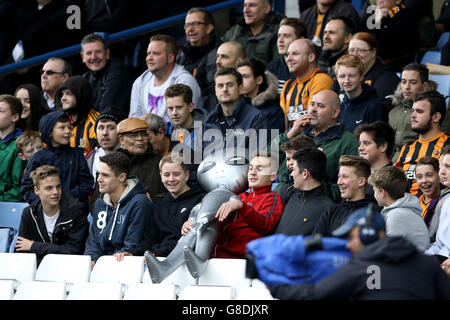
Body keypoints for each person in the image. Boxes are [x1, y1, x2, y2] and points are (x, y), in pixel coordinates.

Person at [269, 206, 450, 300]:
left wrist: (274, 282)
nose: (348, 245)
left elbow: (312, 295)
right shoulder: (427, 264)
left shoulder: (362, 268)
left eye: (351, 238)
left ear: (368, 236)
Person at [274, 89, 359, 184]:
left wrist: (316, 188)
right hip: (282, 195)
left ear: (335, 112)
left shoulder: (348, 142)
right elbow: (265, 161)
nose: (313, 109)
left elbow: (349, 185)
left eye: (320, 106)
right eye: (312, 104)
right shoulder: (297, 134)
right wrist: (290, 134)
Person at [209, 152, 284, 258]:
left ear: (273, 176)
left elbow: (266, 225)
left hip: (242, 262)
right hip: (215, 257)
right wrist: (193, 222)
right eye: (251, 168)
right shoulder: (239, 196)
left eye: (260, 169)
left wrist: (242, 207)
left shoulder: (272, 198)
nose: (253, 173)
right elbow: (216, 224)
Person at [84, 151, 153, 267]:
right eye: (98, 174)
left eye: (105, 175)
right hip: (102, 265)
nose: (99, 179)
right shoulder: (100, 203)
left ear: (122, 177)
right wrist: (92, 261)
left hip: (126, 265)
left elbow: (131, 246)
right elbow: (93, 242)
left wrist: (103, 265)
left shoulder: (140, 203)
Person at [133, 153, 207, 257]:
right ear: (161, 176)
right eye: (166, 175)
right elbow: (149, 240)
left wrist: (157, 254)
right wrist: (132, 253)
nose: (171, 179)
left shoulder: (202, 200)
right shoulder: (158, 206)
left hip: (186, 263)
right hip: (158, 260)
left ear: (186, 175)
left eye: (176, 174)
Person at [15, 165, 89, 266]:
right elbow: (21, 250)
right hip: (38, 269)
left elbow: (74, 251)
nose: (55, 192)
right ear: (36, 190)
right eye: (49, 188)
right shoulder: (29, 213)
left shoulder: (76, 209)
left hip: (69, 267)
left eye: (58, 187)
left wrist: (34, 246)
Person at [21, 111, 94, 205]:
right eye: (62, 128)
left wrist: (68, 199)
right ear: (50, 132)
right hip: (45, 212)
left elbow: (86, 183)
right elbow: (27, 187)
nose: (68, 131)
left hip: (73, 209)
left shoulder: (77, 155)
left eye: (69, 127)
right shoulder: (38, 158)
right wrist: (43, 203)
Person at [129, 34, 202, 123]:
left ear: (170, 58)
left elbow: (186, 121)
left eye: (156, 53)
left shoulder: (185, 81)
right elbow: (134, 119)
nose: (149, 58)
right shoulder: (140, 82)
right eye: (148, 53)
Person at [395, 91, 450, 196]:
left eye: (419, 111)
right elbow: (395, 183)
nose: (412, 115)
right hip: (404, 207)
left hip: (436, 208)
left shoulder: (448, 146)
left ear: (436, 117)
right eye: (413, 111)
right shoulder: (406, 148)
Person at [274, 147, 335, 235]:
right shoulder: (291, 196)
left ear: (305, 174)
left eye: (293, 170)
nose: (291, 174)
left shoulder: (328, 208)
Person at [205, 67, 270, 151]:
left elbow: (260, 158)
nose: (224, 89)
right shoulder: (209, 121)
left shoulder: (256, 118)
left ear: (240, 88)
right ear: (215, 90)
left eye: (229, 85)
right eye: (220, 86)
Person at [368, 166, 431, 252]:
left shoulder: (396, 216)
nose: (374, 194)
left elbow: (389, 251)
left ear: (382, 192)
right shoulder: (399, 211)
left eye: (375, 190)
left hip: (413, 263)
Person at [313, 155, 378, 236]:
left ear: (361, 181)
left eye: (345, 177)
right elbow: (315, 242)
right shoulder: (331, 211)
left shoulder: (372, 215)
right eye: (339, 177)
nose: (339, 182)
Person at [280, 38, 334, 129]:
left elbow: (313, 120)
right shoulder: (288, 86)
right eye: (288, 54)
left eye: (295, 54)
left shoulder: (321, 79)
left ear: (311, 57)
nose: (289, 59)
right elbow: (286, 124)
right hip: (292, 141)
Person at [177, 7, 222, 112]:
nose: (190, 29)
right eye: (187, 25)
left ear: (209, 28)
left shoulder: (218, 54)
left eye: (196, 24)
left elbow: (213, 95)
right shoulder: (182, 55)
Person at [81, 33, 134, 121]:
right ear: (83, 57)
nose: (93, 57)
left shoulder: (119, 72)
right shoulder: (85, 79)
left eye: (98, 52)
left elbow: (108, 109)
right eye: (89, 53)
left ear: (107, 53)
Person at [116, 117, 167, 203]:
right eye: (134, 135)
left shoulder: (161, 163)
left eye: (144, 134)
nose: (140, 138)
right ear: (121, 139)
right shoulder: (113, 164)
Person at [335, 54, 387, 133]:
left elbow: (379, 141)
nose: (346, 81)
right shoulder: (341, 106)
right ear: (337, 77)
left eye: (351, 76)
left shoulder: (375, 107)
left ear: (362, 76)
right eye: (342, 76)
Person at [388, 63, 431, 160]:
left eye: (413, 82)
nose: (407, 87)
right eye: (403, 82)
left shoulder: (431, 112)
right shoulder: (394, 112)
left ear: (424, 86)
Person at [221, 0, 284, 65]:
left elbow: (278, 68)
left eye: (252, 5)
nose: (246, 10)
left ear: (267, 8)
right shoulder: (235, 30)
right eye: (245, 5)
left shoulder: (279, 33)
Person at [347, 32, 400, 107]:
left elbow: (381, 111)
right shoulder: (344, 73)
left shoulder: (386, 78)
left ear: (373, 52)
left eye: (361, 50)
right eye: (351, 50)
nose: (355, 55)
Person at [362, 0, 416, 72]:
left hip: (395, 68)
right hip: (376, 66)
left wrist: (377, 22)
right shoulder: (375, 13)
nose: (380, 1)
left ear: (397, 1)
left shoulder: (404, 17)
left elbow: (380, 46)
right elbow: (361, 36)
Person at [237, 58, 285, 132]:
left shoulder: (274, 111)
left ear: (259, 80)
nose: (240, 81)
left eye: (245, 76)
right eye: (238, 77)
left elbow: (274, 142)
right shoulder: (233, 105)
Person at [55, 75, 100, 155]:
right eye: (62, 94)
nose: (63, 98)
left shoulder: (95, 123)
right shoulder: (60, 121)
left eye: (68, 93)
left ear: (81, 95)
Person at [266, 17, 307, 93]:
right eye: (279, 36)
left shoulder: (309, 67)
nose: (280, 40)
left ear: (301, 40)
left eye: (286, 36)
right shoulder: (272, 68)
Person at [426, 145, 450, 272]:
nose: (441, 172)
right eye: (441, 166)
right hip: (439, 255)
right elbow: (439, 243)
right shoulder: (446, 198)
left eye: (448, 167)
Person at [0, 94, 25, 202]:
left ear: (15, 117)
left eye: (0, 111)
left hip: (7, 206)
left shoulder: (21, 145)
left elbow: (18, 190)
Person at [318, 16, 355, 81]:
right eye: (325, 32)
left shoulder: (354, 65)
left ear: (347, 38)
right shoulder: (320, 59)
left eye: (332, 33)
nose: (326, 37)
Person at [86, 113, 121, 180]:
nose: (105, 133)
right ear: (96, 133)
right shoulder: (90, 157)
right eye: (101, 128)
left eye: (111, 128)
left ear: (118, 132)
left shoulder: (129, 154)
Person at [415, 156, 441, 229]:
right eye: (419, 177)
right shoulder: (413, 201)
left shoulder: (445, 203)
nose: (424, 180)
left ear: (439, 176)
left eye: (429, 175)